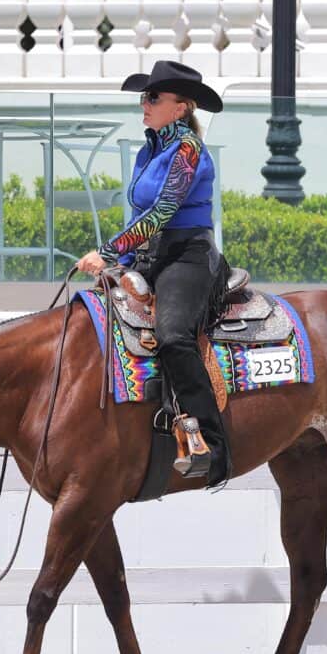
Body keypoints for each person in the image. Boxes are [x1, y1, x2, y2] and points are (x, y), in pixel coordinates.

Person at [76, 60, 231, 487]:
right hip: (150, 257)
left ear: (180, 108)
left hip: (188, 257)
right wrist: (122, 264)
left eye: (153, 98)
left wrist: (106, 252)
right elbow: (138, 214)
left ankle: (211, 447)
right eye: (144, 96)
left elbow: (163, 212)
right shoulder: (149, 148)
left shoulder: (188, 150)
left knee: (173, 336)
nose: (144, 104)